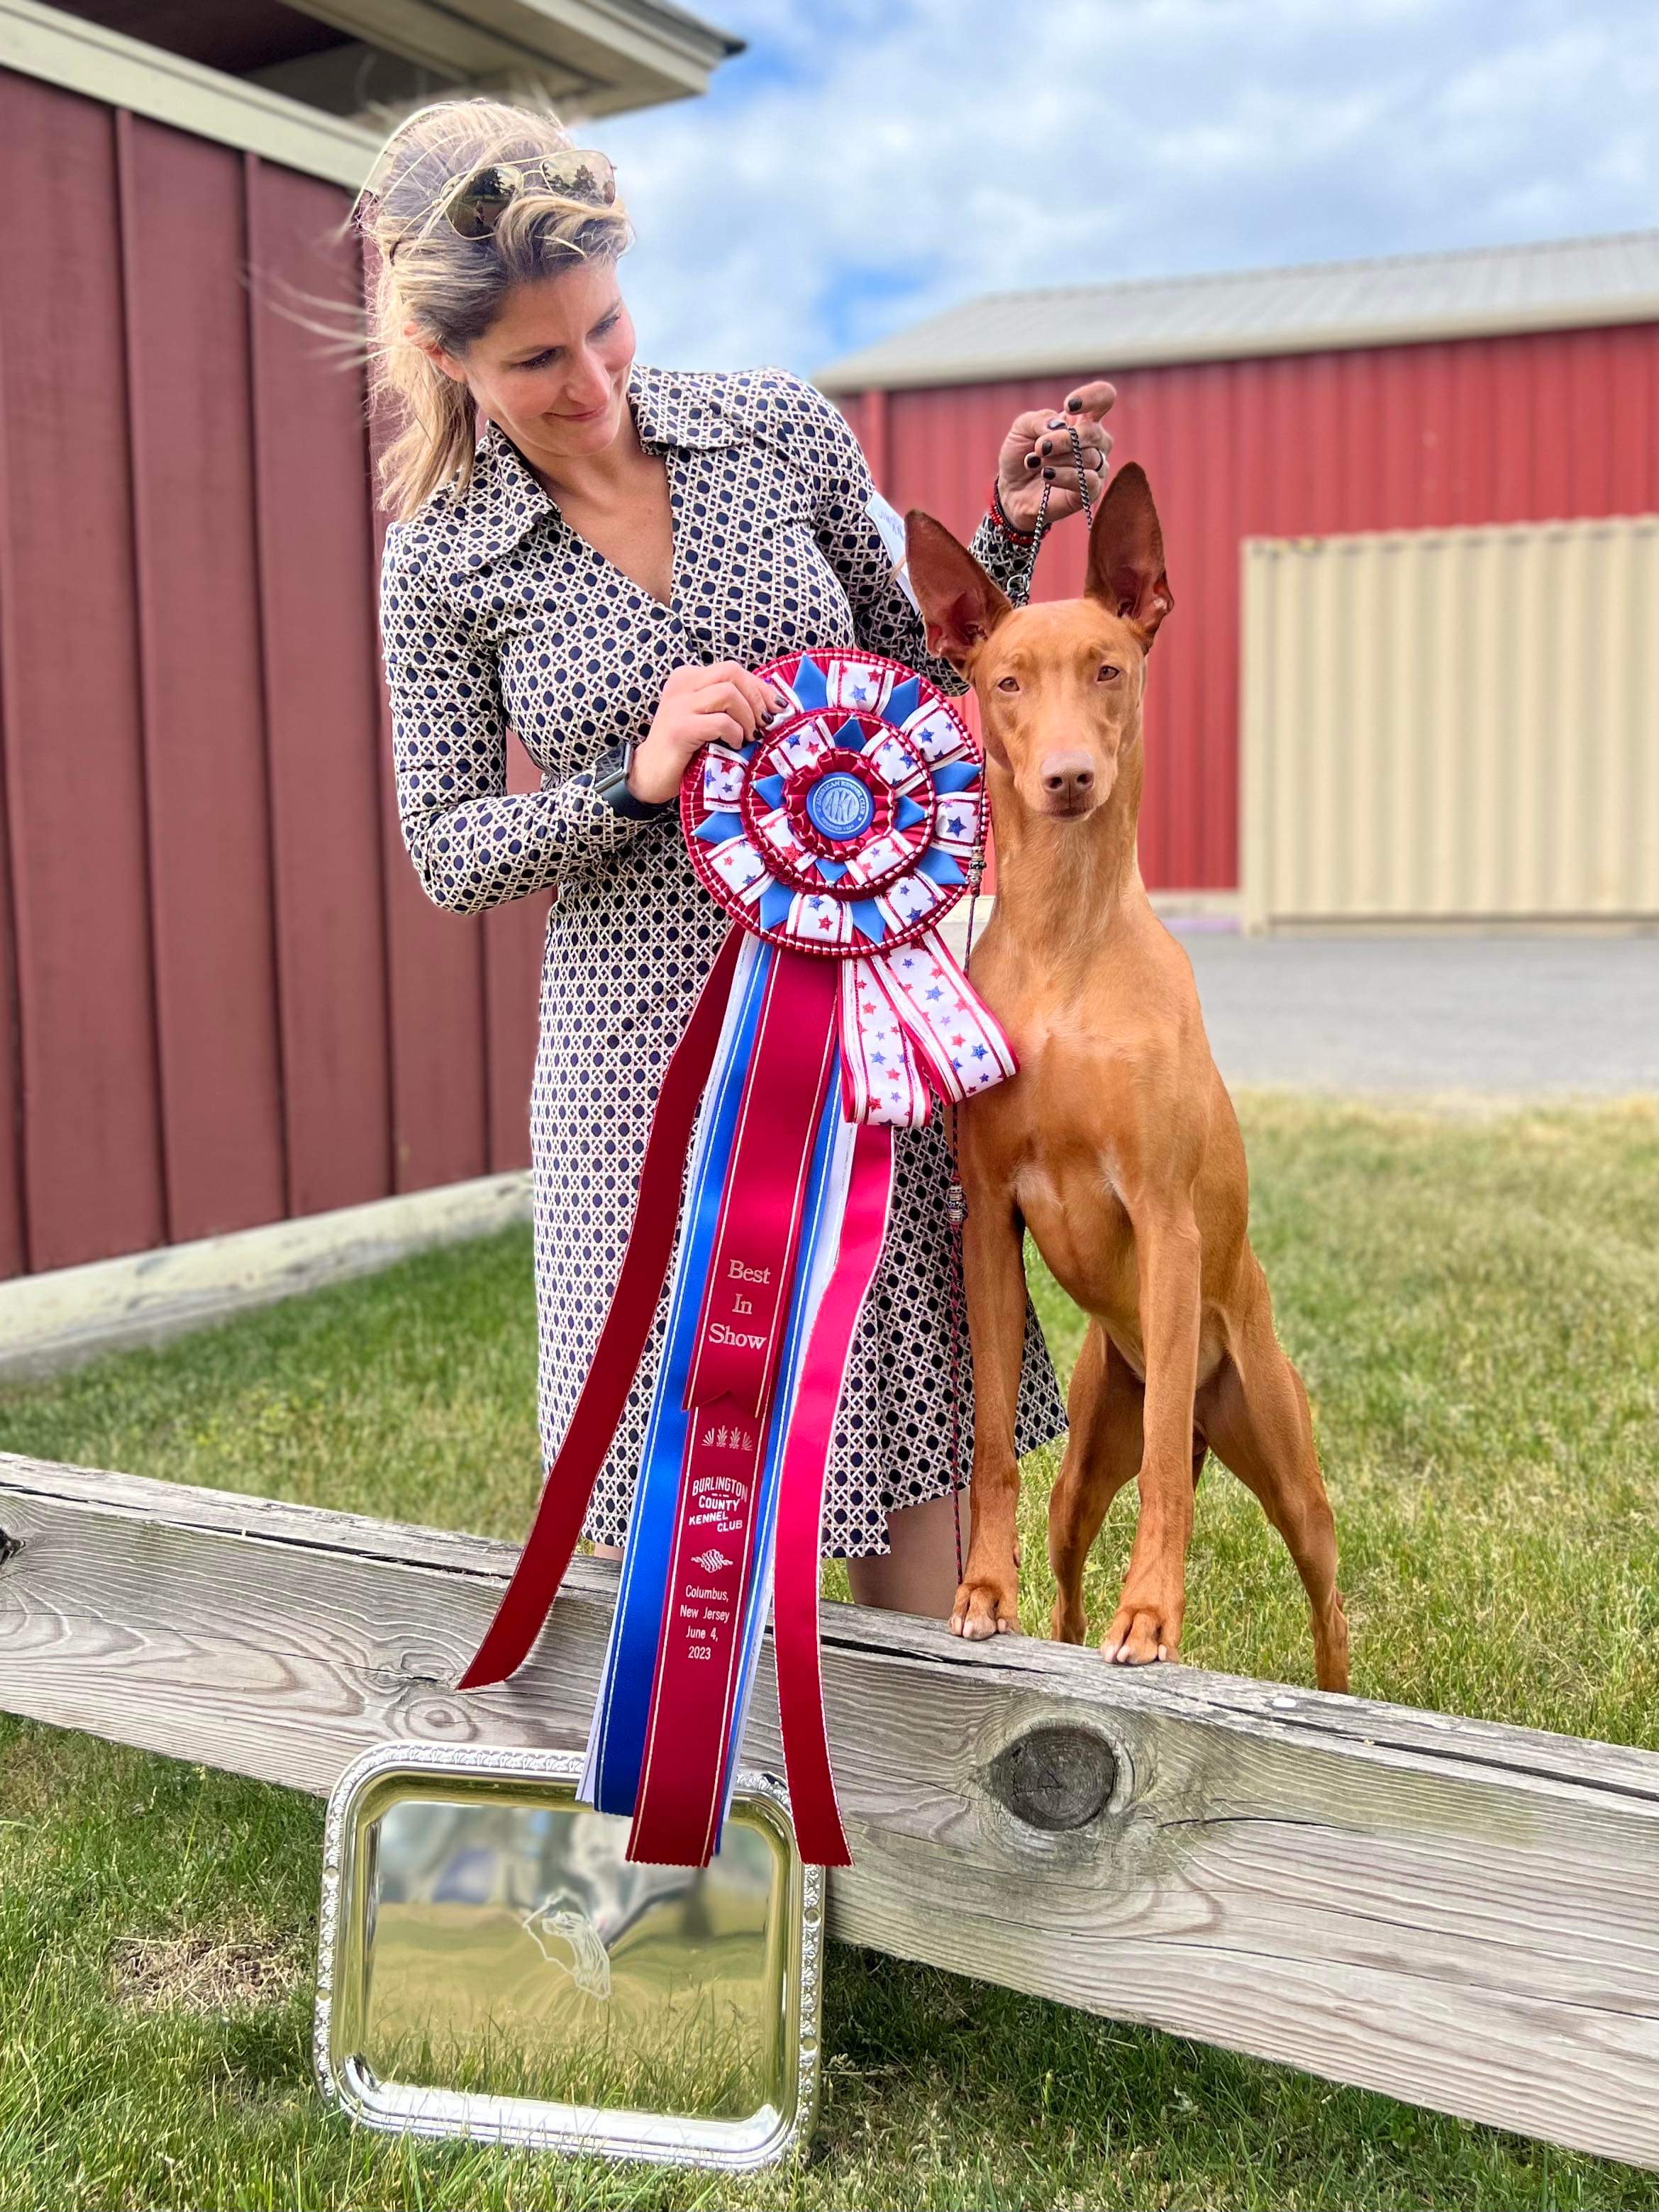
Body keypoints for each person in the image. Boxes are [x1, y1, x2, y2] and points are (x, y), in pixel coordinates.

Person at [357, 96, 1116, 1621]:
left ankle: (918, 1765)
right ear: (445, 356)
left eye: (606, 327)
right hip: (637, 1079)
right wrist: (630, 783)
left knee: (901, 1417)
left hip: (862, 1029)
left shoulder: (777, 427)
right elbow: (447, 849)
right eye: (537, 361)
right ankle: (688, 1764)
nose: (592, 383)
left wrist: (1009, 533)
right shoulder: (440, 561)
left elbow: (916, 673)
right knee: (665, 1464)